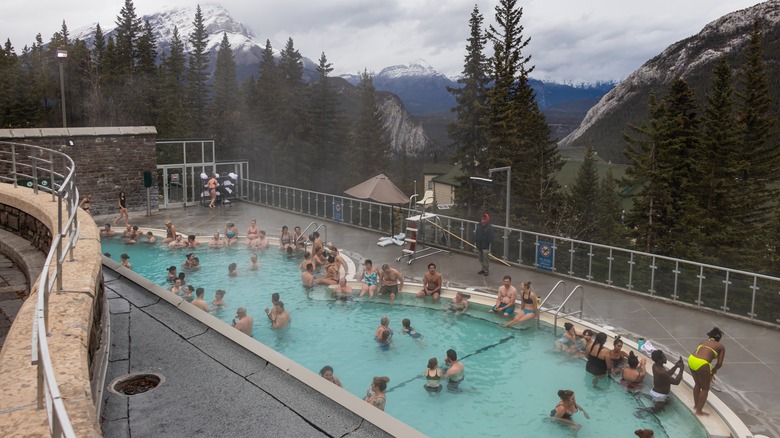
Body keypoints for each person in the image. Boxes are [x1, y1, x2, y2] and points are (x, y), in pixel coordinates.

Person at [689, 327, 725, 416]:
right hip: (702, 363)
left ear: (710, 337)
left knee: (697, 384)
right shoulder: (720, 347)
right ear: (719, 339)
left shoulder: (703, 342)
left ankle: (696, 405)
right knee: (705, 388)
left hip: (691, 359)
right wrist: (713, 371)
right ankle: (699, 411)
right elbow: (719, 363)